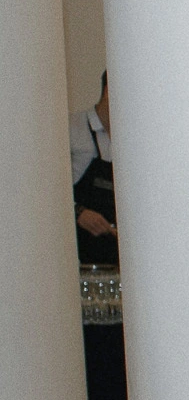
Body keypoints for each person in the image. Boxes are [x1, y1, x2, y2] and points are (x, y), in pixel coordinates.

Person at [69, 70, 117, 266]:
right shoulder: (71, 128)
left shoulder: (131, 139)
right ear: (108, 91)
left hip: (113, 260)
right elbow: (45, 191)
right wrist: (79, 213)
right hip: (77, 258)